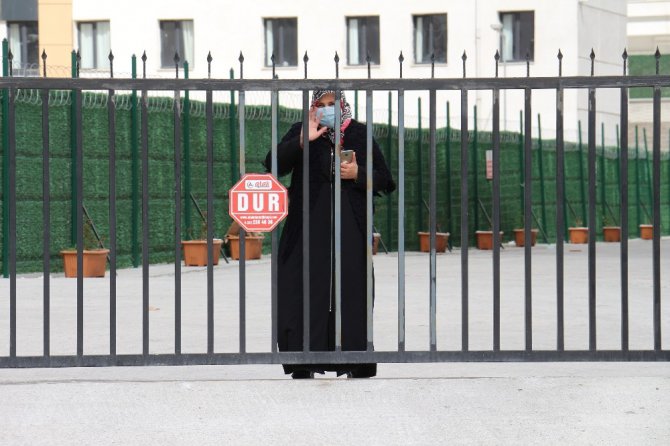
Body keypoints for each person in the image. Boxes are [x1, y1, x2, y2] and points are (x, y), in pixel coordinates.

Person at [264, 89, 395, 379]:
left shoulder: (359, 134)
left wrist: (359, 173)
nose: (326, 110)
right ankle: (303, 360)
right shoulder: (302, 130)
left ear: (343, 105)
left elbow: (386, 179)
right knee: (303, 287)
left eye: (332, 105)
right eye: (320, 105)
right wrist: (302, 141)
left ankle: (355, 360)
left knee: (352, 288)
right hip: (308, 224)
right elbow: (273, 163)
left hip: (350, 224)